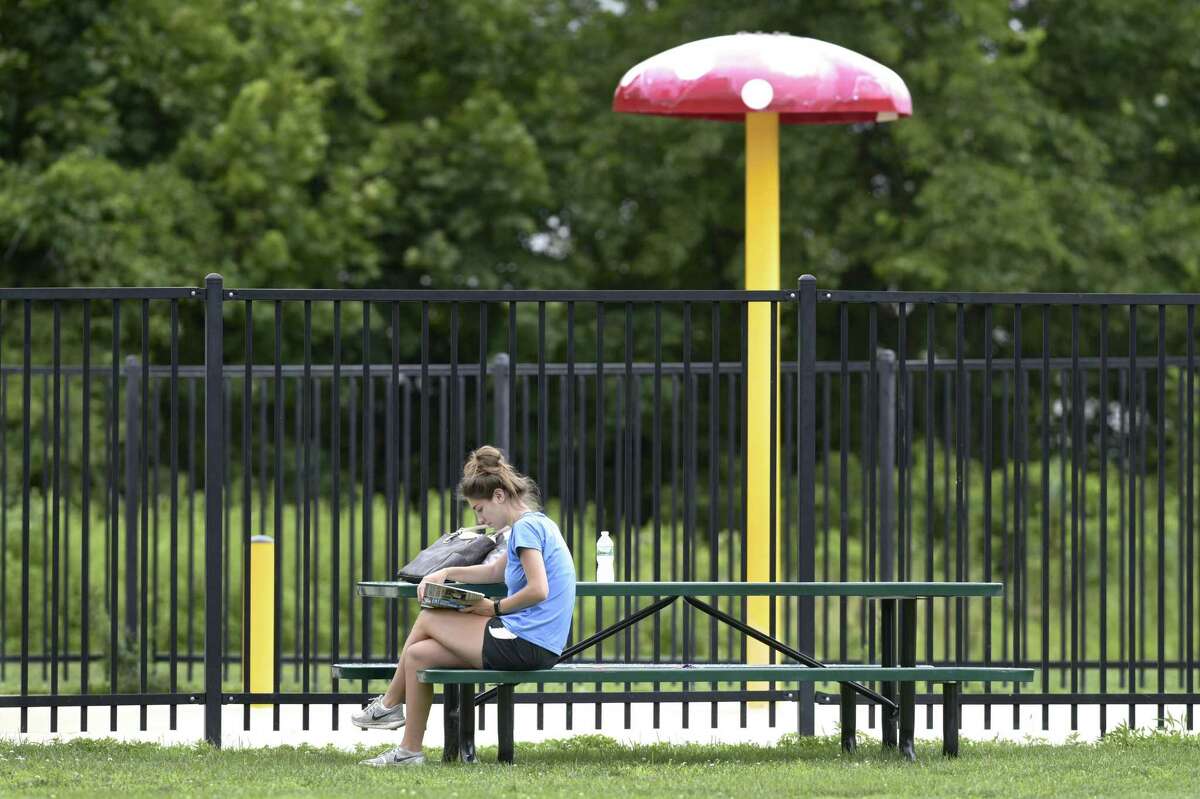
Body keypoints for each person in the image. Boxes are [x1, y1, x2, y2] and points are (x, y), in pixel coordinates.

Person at [354, 445, 576, 766]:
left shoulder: (527, 528)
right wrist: (445, 571)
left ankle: (389, 704)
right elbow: (494, 571)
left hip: (527, 642)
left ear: (499, 496)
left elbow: (539, 589)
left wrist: (493, 608)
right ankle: (409, 752)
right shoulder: (531, 525)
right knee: (418, 656)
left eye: (480, 509)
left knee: (430, 617)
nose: (480, 519)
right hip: (530, 640)